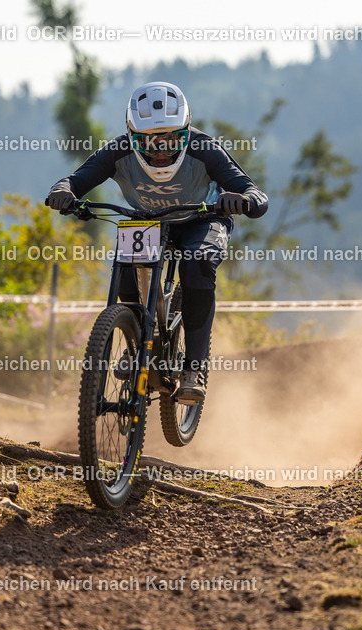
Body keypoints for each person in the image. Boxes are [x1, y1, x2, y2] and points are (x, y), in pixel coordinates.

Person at [46, 81, 267, 404]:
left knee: (198, 263)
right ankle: (135, 340)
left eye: (172, 140)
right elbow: (73, 181)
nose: (161, 151)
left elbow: (254, 193)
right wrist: (64, 192)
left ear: (187, 132)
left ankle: (194, 368)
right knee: (125, 269)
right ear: (131, 136)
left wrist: (243, 200)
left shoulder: (205, 149)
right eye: (149, 142)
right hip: (147, 220)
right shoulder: (118, 151)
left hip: (202, 219)